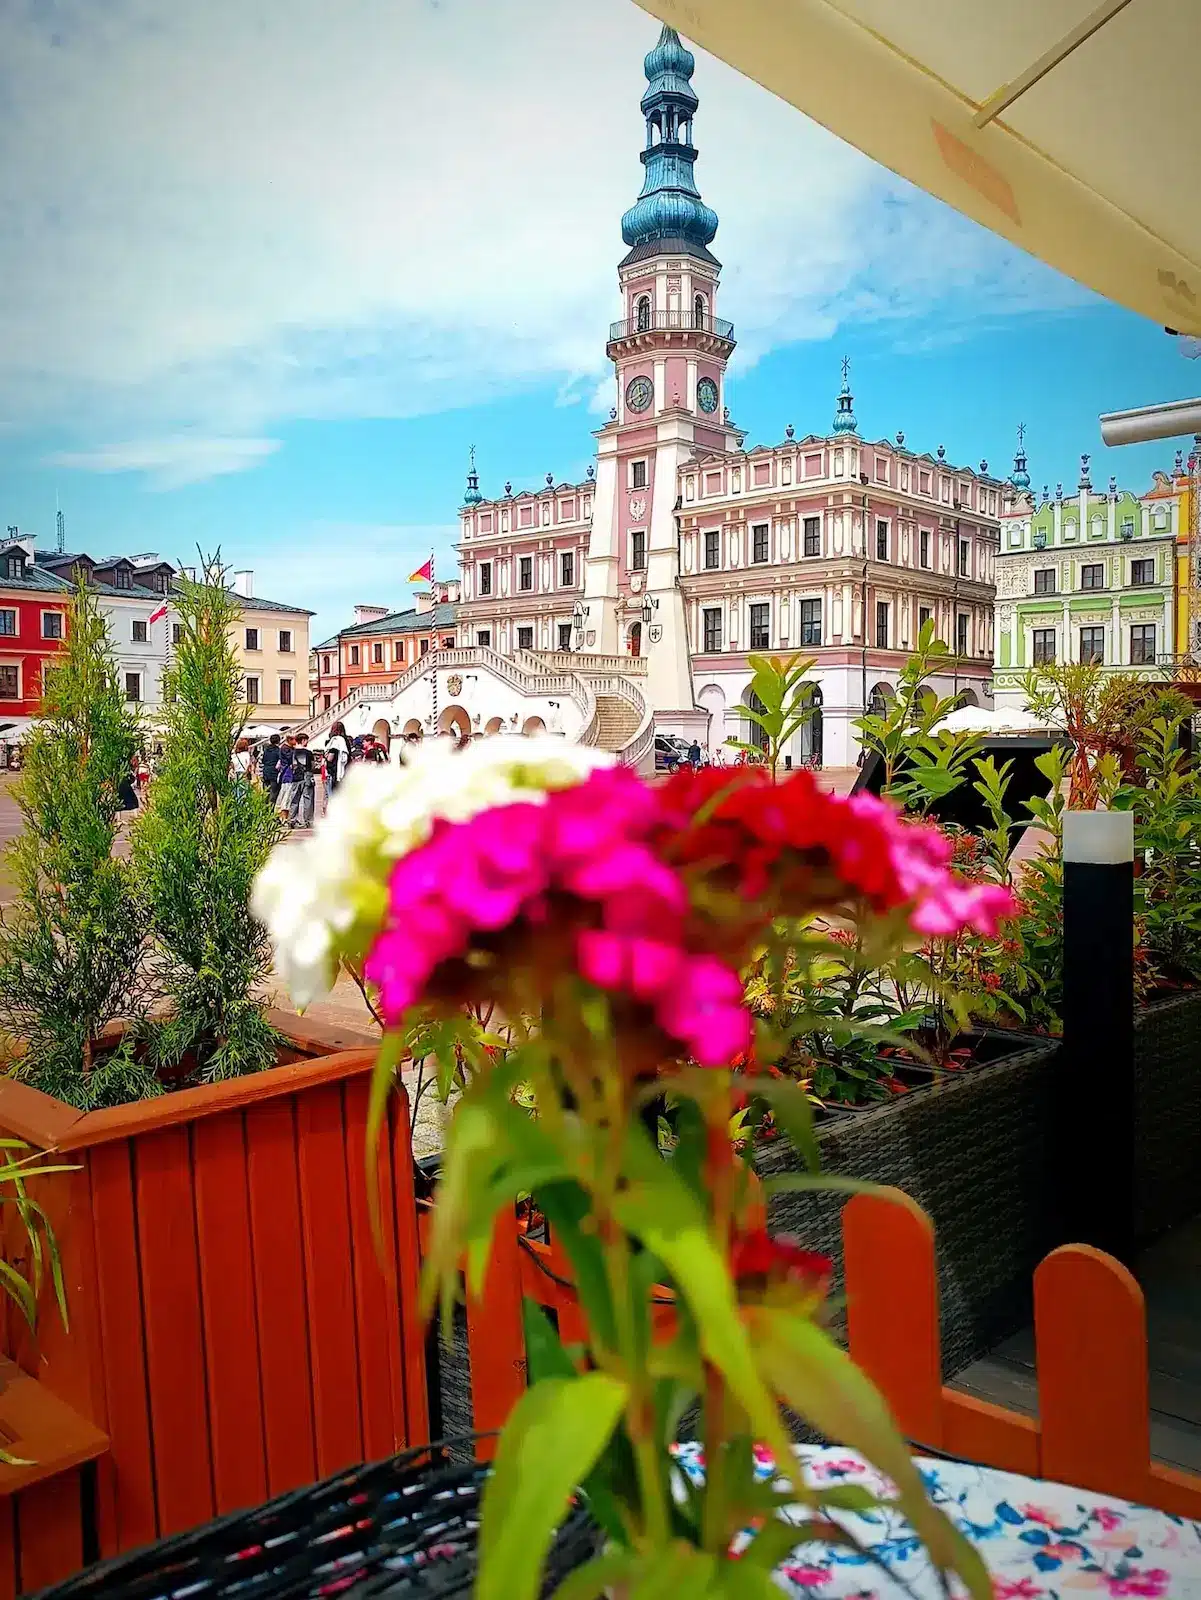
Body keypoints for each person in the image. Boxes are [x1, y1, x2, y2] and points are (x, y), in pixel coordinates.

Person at [288, 734, 317, 830]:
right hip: (307, 776)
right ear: (303, 740)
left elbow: (291, 766)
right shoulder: (308, 753)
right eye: (306, 740)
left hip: (296, 777)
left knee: (294, 799)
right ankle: (308, 821)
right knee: (308, 799)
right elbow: (313, 766)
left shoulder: (293, 752)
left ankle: (292, 820)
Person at [325, 721, 350, 796]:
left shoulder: (335, 741)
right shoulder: (346, 741)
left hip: (335, 771)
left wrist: (326, 757)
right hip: (345, 770)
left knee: (333, 795)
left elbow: (330, 758)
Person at [275, 736, 296, 818]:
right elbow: (291, 758)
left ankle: (282, 816)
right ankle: (283, 817)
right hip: (287, 775)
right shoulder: (286, 749)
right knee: (286, 797)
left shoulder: (286, 748)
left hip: (287, 774)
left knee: (285, 796)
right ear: (290, 740)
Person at [260, 733, 283, 805]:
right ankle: (271, 810)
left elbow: (263, 761)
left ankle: (264, 809)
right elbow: (281, 761)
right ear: (278, 741)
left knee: (266, 792)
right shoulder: (278, 751)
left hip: (266, 771)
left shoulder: (266, 750)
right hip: (274, 773)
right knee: (274, 792)